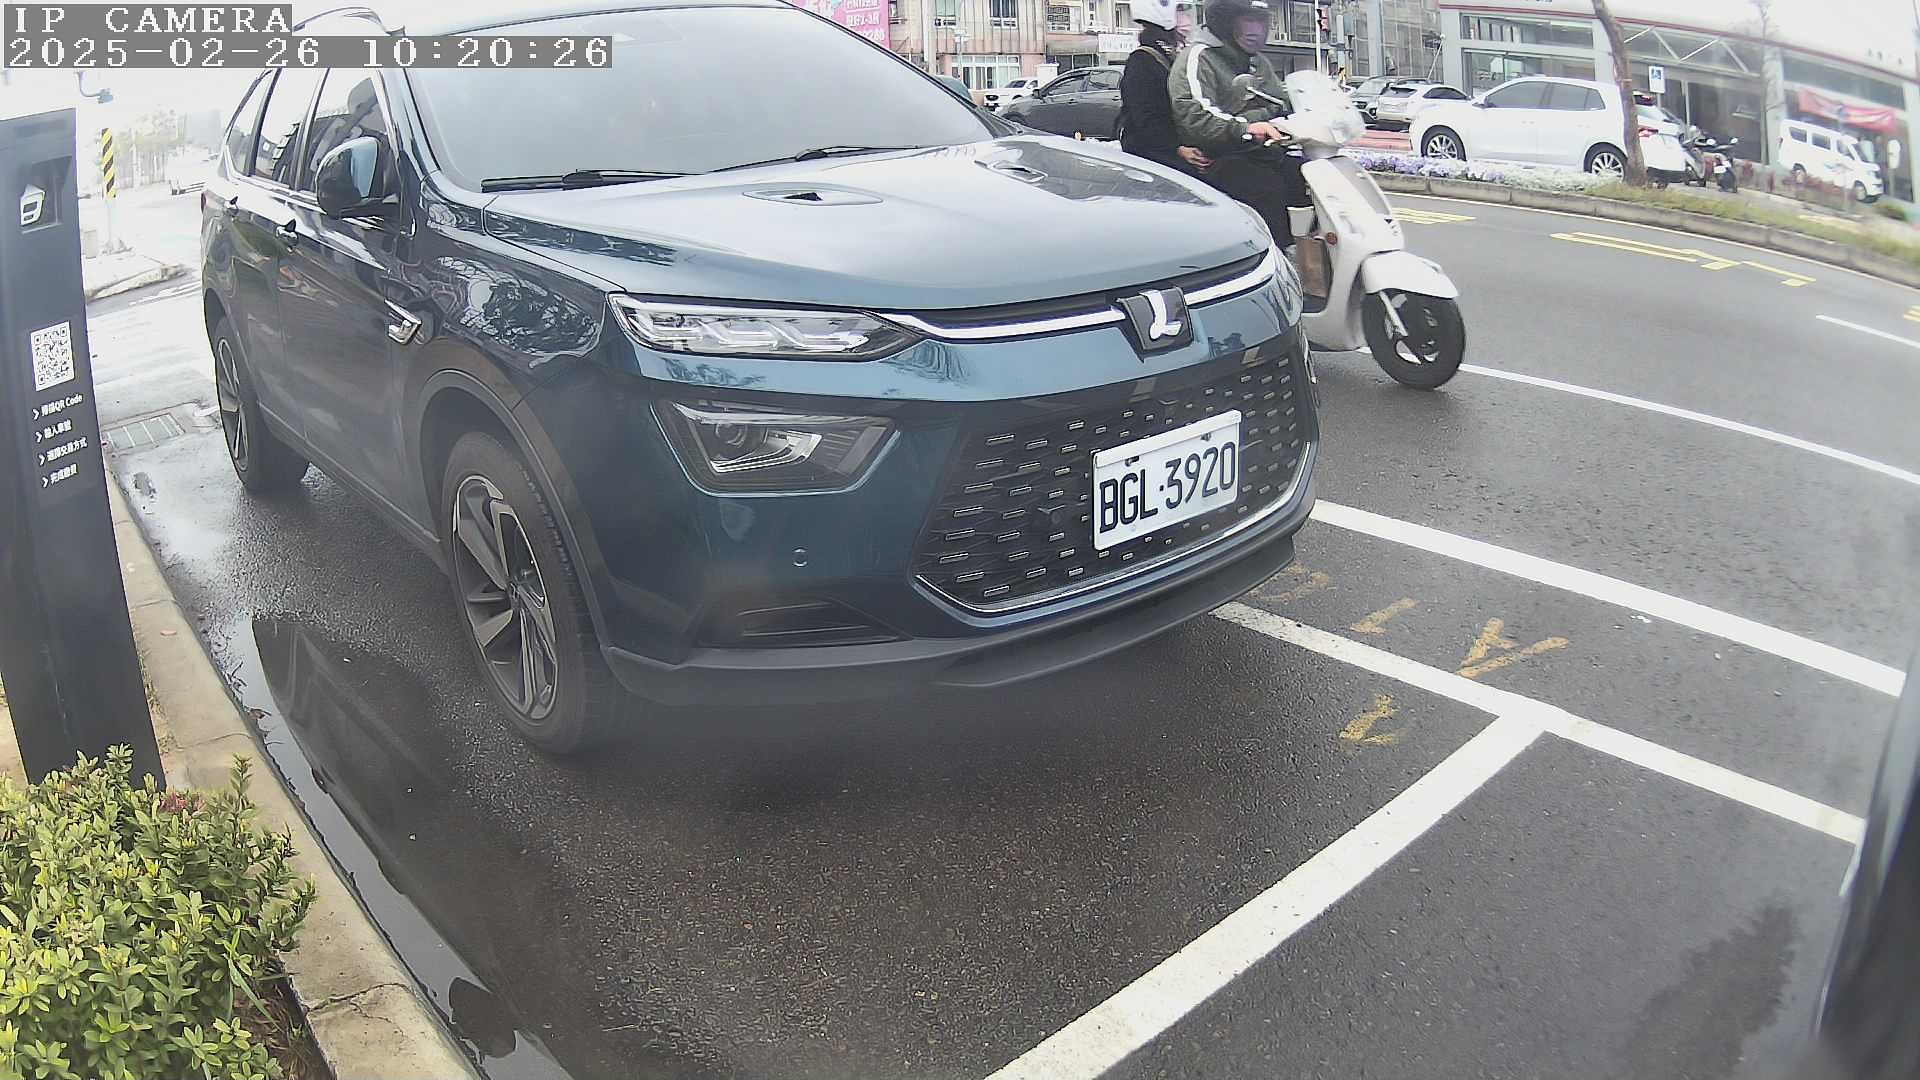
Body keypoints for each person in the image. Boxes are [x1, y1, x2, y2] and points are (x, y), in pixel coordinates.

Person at [1167, 0, 1302, 248]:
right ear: (1224, 22)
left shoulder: (1257, 62)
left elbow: (1280, 102)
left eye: (1261, 22)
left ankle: (1310, 256)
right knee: (1266, 190)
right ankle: (1273, 259)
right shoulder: (1200, 57)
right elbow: (1195, 115)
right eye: (1248, 20)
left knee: (1307, 178)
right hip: (1218, 157)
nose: (1256, 31)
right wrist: (1246, 128)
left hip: (1260, 152)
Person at [1117, 0, 1211, 177]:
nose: (1187, 19)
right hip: (1155, 164)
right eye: (1180, 11)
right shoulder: (1143, 60)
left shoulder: (1173, 55)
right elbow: (1145, 118)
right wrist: (1178, 148)